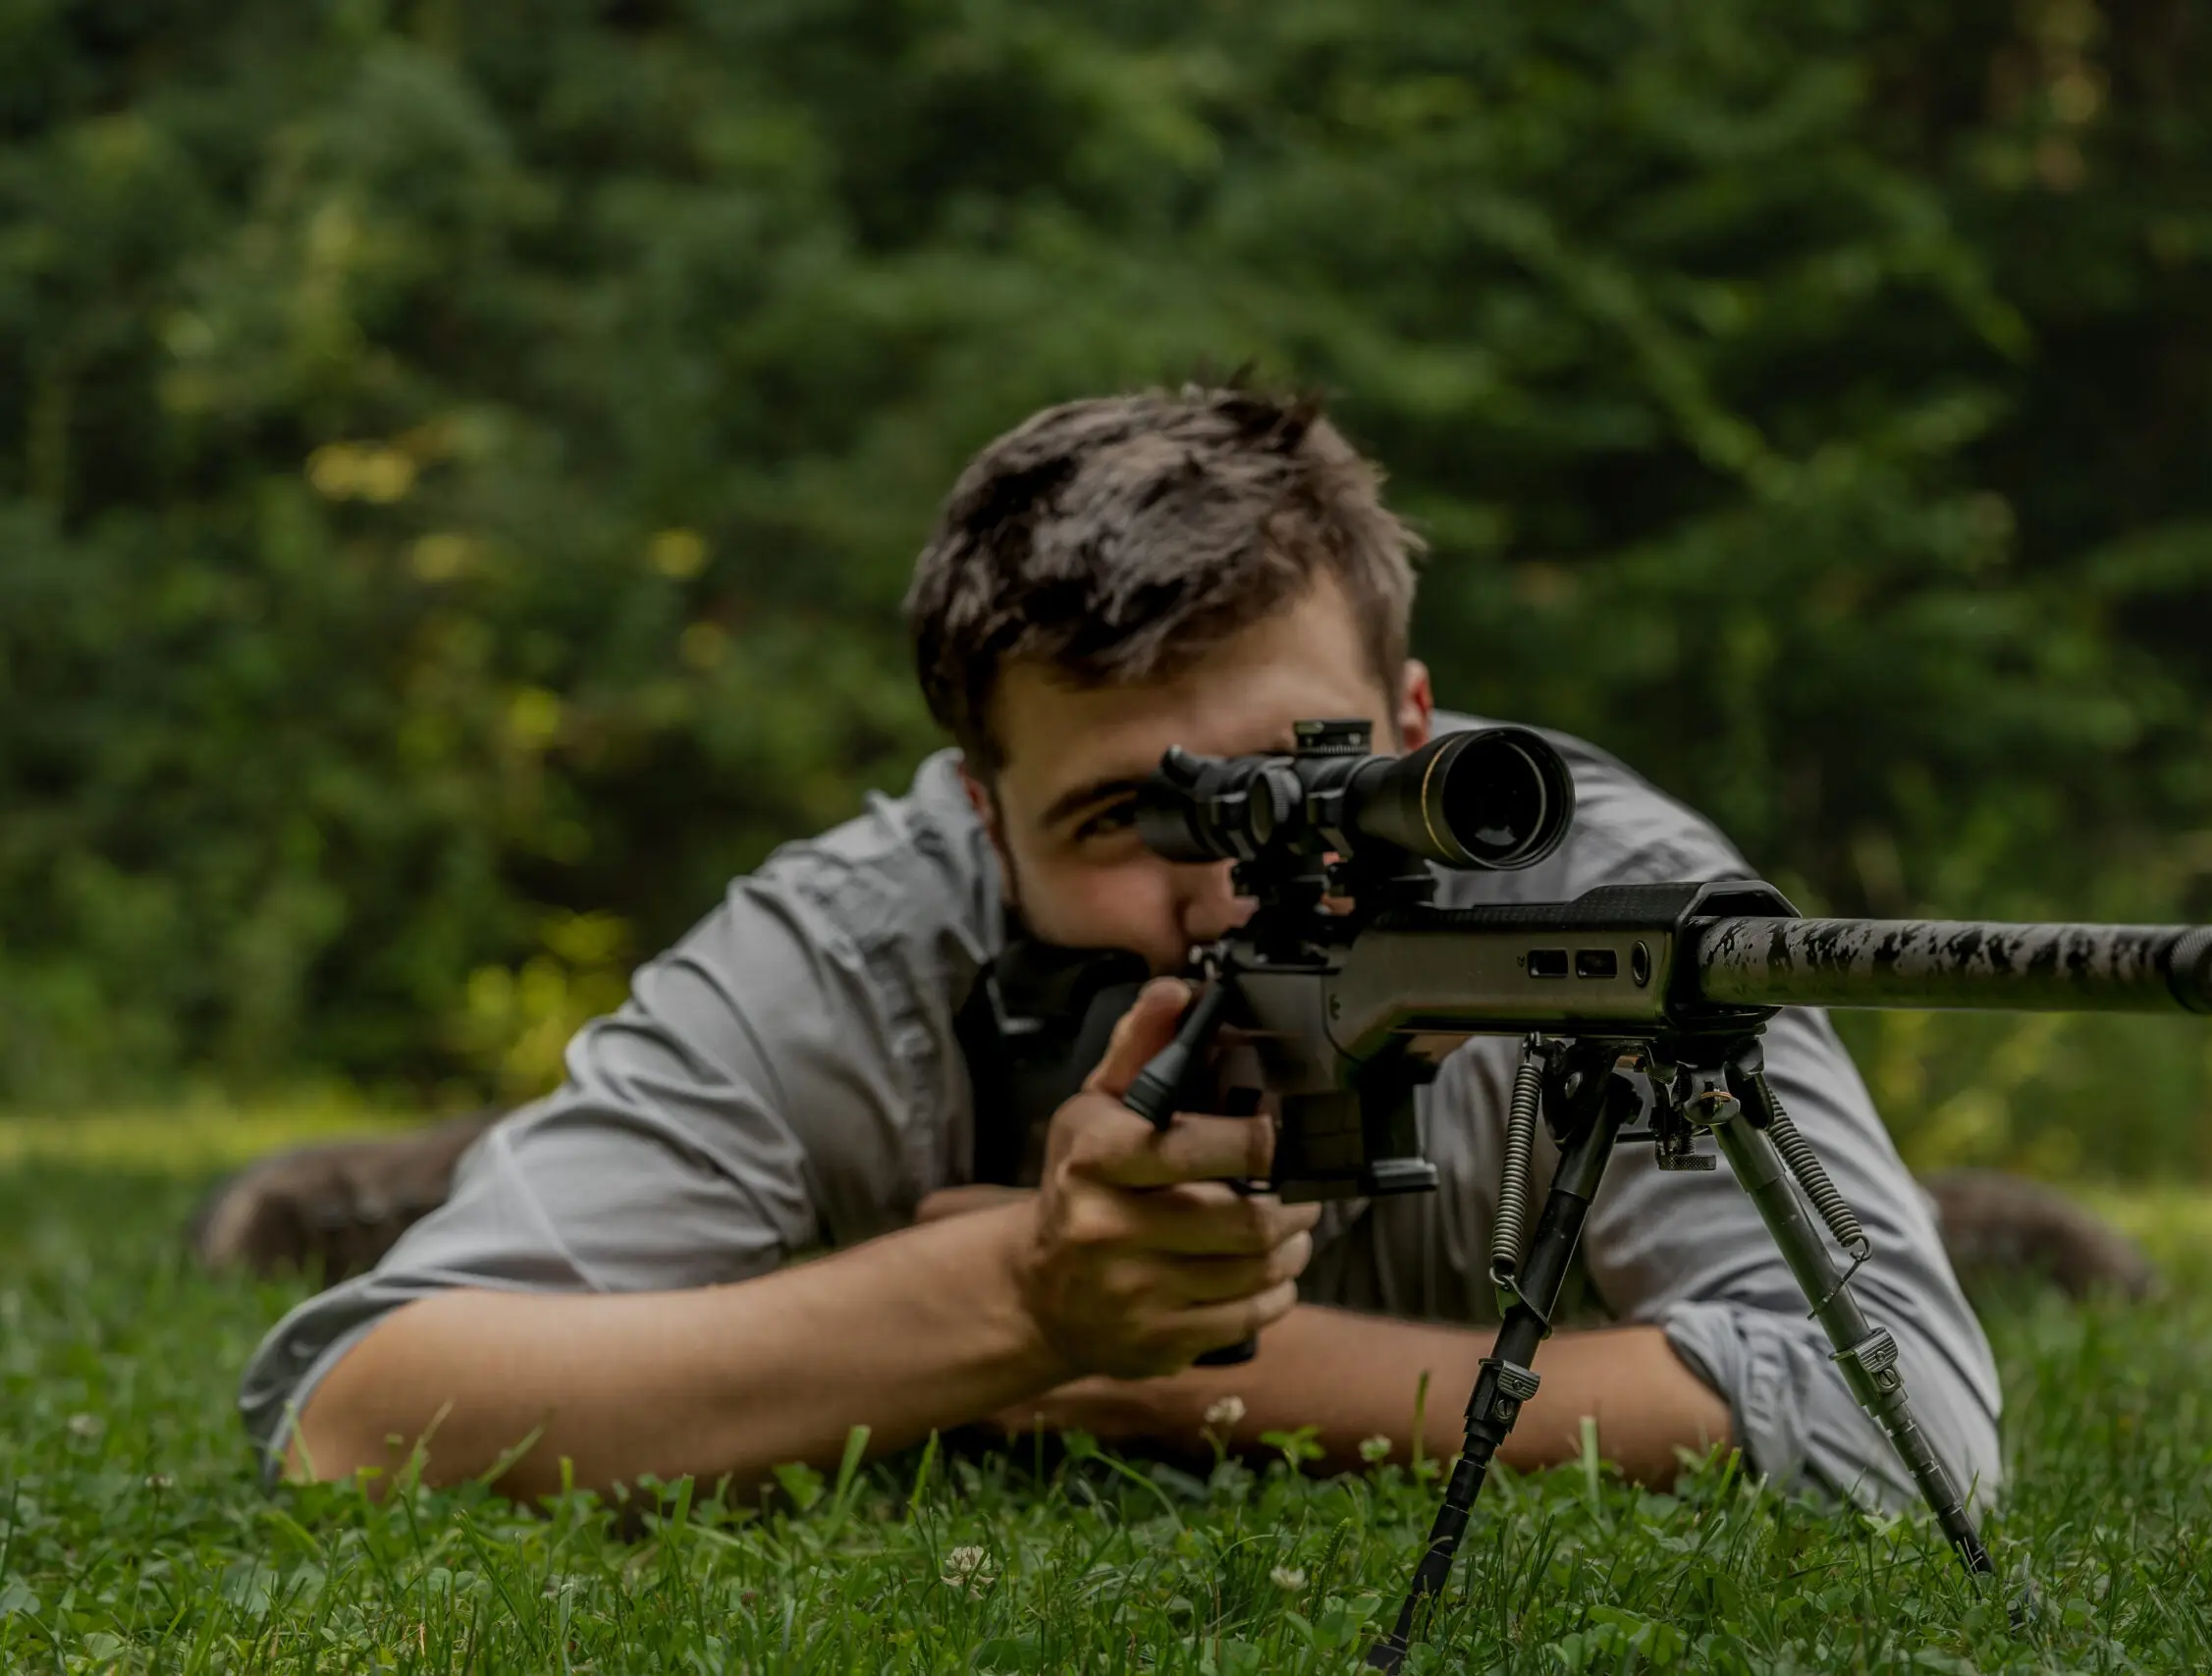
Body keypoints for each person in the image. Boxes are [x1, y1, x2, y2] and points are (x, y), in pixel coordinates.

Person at [231, 385, 2011, 1510]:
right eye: (1129, 824)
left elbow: (1909, 1413)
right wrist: (1013, 1298)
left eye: (1300, 784)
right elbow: (362, 1409)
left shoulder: (1601, 890)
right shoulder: (867, 934)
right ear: (978, 815)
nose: (1241, 888)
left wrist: (1174, 1371)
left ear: (1411, 726)